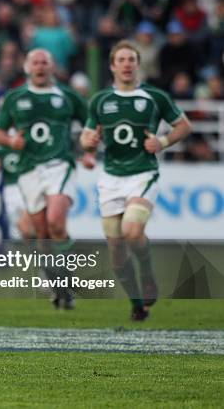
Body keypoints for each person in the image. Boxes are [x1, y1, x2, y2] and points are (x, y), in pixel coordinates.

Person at [80, 40, 192, 321]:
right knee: (116, 249)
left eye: (131, 59)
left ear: (138, 64)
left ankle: (148, 271)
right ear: (112, 66)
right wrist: (89, 142)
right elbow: (86, 137)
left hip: (143, 172)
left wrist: (163, 140)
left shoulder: (155, 96)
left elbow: (184, 125)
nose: (127, 64)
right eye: (122, 60)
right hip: (111, 177)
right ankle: (136, 303)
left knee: (132, 231)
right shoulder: (101, 100)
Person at [0, 48, 88, 310]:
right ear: (26, 67)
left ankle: (68, 278)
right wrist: (12, 140)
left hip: (59, 165)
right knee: (40, 234)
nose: (40, 66)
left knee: (56, 222)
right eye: (35, 62)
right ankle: (58, 286)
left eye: (45, 62)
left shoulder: (67, 96)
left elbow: (91, 124)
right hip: (28, 170)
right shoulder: (15, 98)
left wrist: (87, 150)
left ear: (52, 67)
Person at [0, 142, 35, 240]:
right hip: (9, 190)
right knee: (16, 229)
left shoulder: (27, 135)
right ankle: (22, 252)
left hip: (26, 186)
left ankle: (36, 251)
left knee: (27, 227)